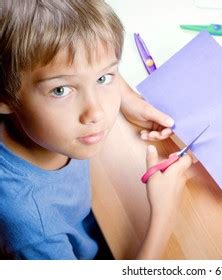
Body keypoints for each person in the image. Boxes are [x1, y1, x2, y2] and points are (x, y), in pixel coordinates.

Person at [0, 0, 192, 259]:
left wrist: (129, 99)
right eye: (61, 90)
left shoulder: (61, 130)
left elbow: (83, 62)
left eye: (103, 78)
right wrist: (164, 215)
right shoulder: (34, 229)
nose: (97, 113)